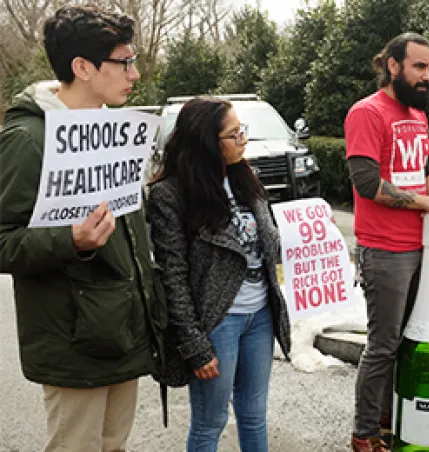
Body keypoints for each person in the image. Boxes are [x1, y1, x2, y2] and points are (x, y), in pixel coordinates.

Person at [0, 5, 166, 451]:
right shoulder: (29, 139)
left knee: (114, 446)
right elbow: (3, 240)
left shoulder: (118, 132)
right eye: (124, 62)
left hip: (123, 331)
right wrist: (70, 240)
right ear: (83, 67)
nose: (135, 74)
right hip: (72, 341)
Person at [147, 97, 291, 451]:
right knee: (210, 422)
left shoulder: (245, 178)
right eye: (233, 134)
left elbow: (266, 243)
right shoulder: (171, 195)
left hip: (260, 317)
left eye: (243, 130)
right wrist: (194, 345)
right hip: (216, 323)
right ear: (208, 143)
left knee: (254, 415)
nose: (243, 140)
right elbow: (173, 277)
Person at [345, 32, 429, 452]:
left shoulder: (416, 113)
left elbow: (427, 164)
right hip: (385, 250)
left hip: (422, 245)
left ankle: (389, 418)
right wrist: (426, 202)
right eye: (419, 67)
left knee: (410, 339)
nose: (427, 76)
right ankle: (364, 433)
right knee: (384, 345)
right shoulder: (367, 113)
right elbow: (367, 183)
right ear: (393, 66)